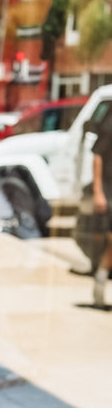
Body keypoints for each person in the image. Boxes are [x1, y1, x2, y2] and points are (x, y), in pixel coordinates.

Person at [90, 112, 112, 307]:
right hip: (109, 191)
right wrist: (98, 191)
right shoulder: (110, 120)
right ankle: (99, 286)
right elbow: (97, 155)